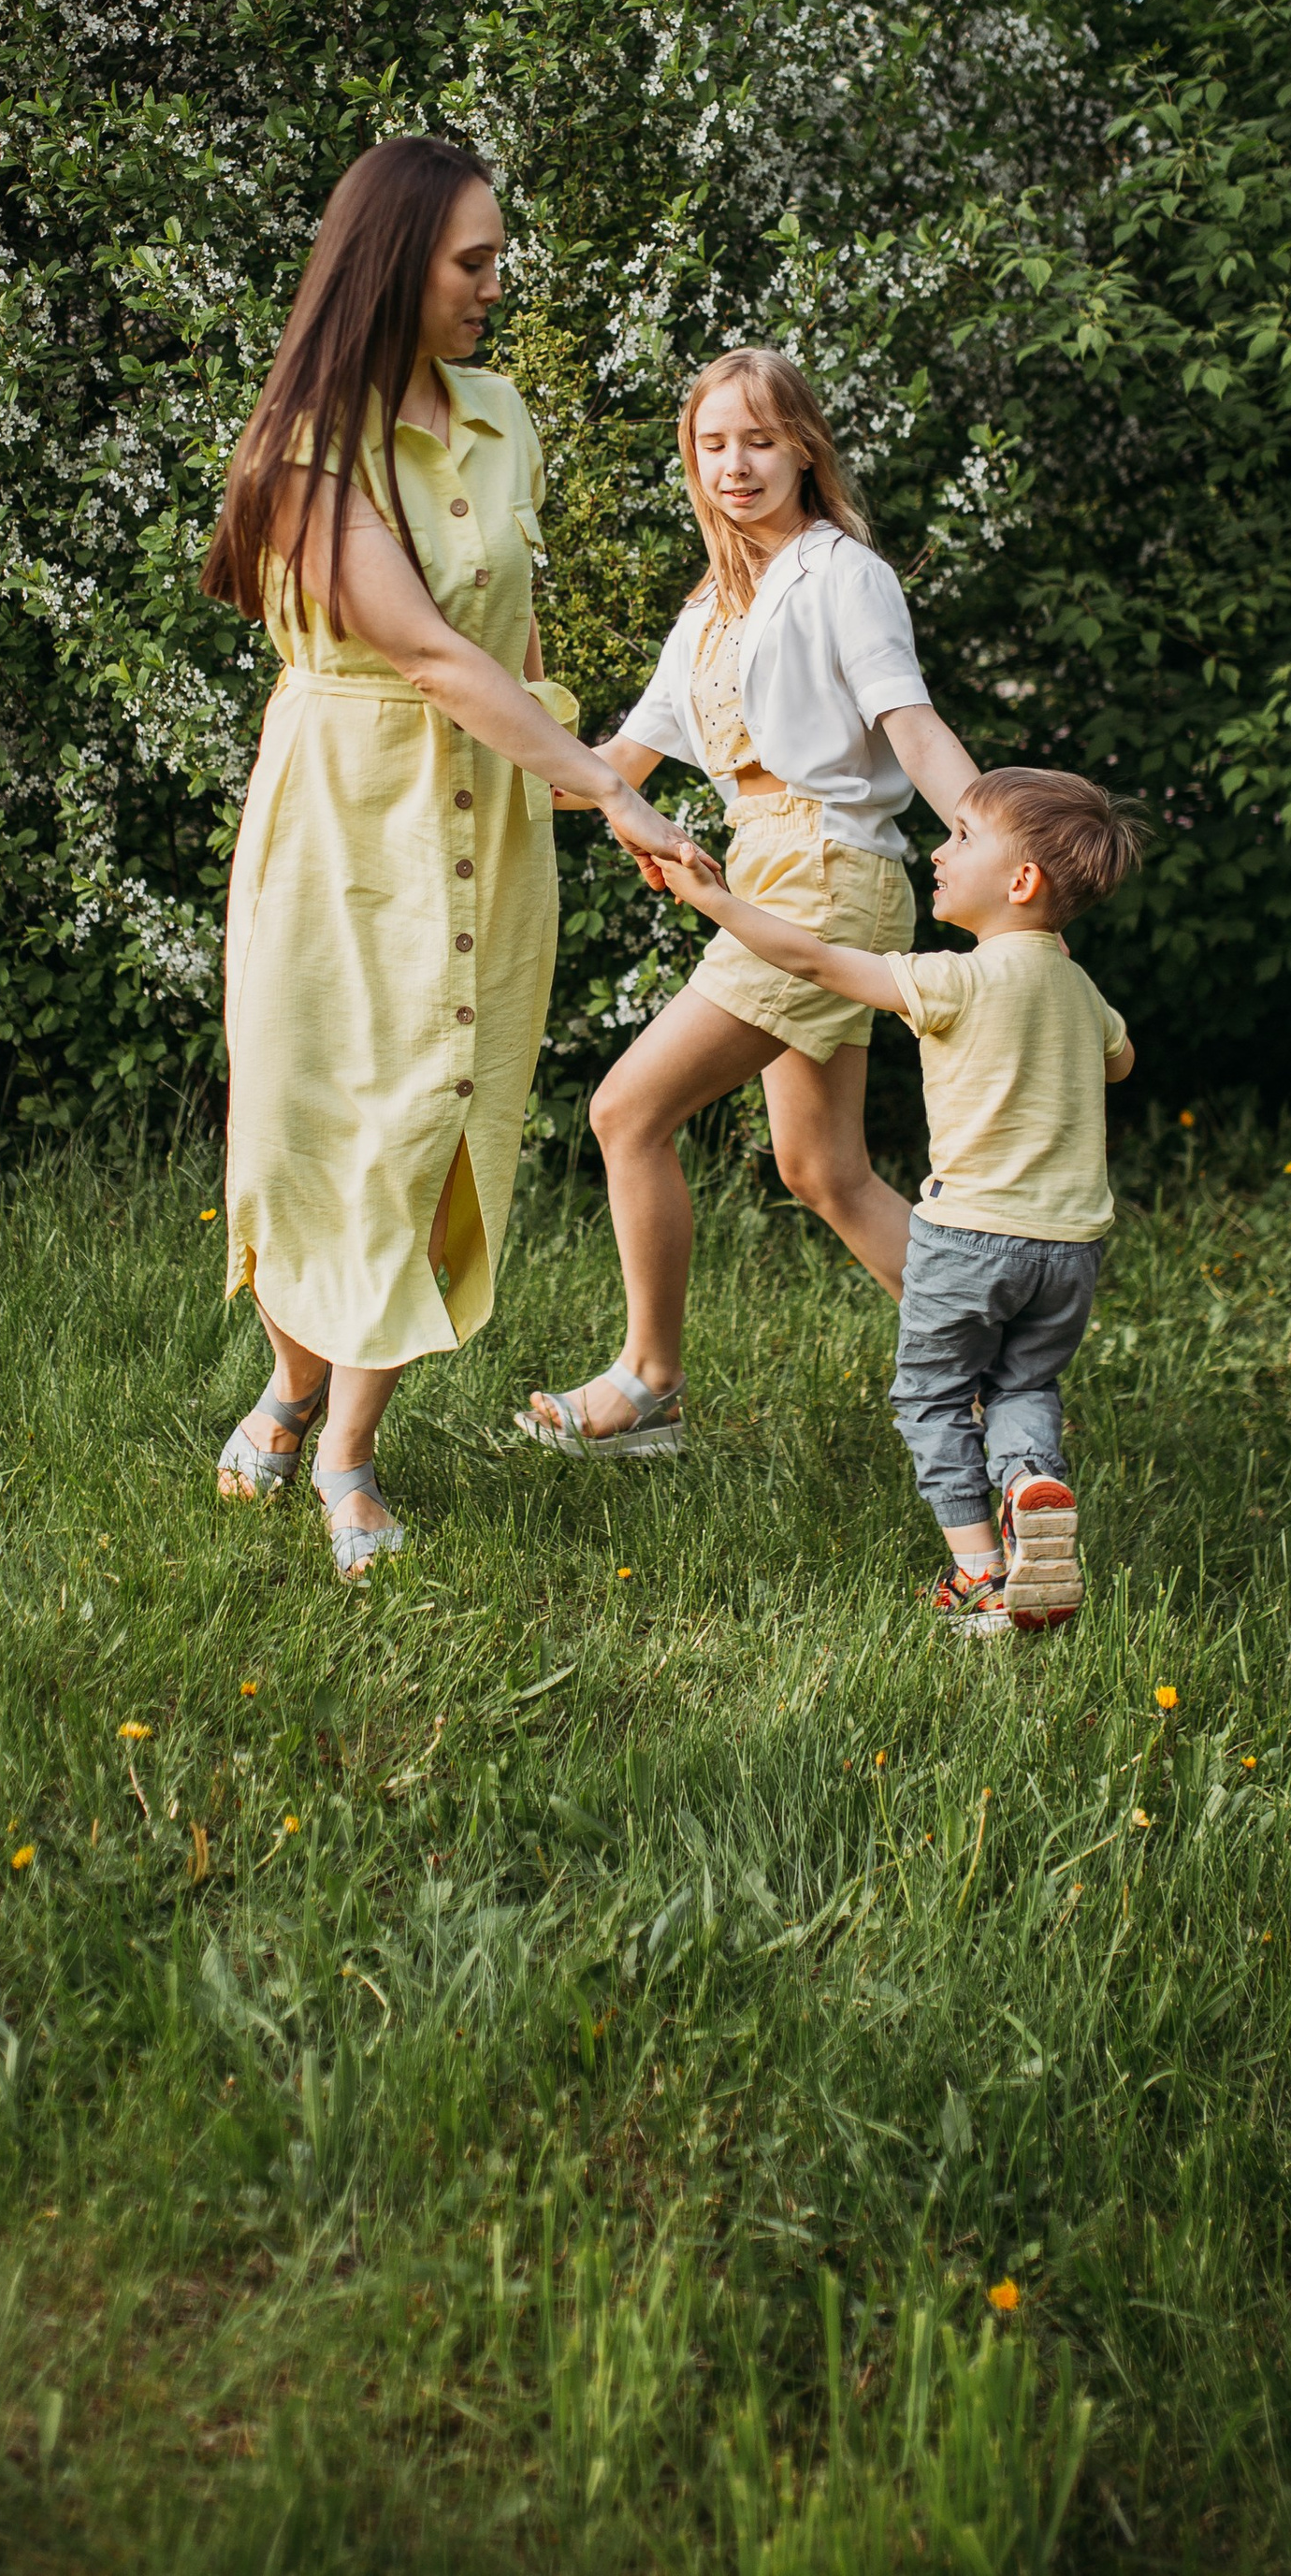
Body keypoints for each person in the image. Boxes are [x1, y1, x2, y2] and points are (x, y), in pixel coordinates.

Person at [203, 137, 710, 1579]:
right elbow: (420, 648)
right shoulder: (308, 450)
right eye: (472, 262)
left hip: (483, 824)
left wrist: (574, 761)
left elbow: (504, 640)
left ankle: (344, 1448)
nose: (497, 284)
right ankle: (298, 1390)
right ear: (393, 267)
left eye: (496, 258)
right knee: (319, 1133)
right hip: (339, 818)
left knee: (431, 1131)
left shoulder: (498, 417)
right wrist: (612, 793)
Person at [517, 347, 981, 1460]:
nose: (736, 464)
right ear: (692, 459)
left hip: (826, 875)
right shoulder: (712, 612)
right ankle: (996, 1377)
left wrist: (998, 843)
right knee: (823, 1169)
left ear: (804, 450)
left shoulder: (840, 575)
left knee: (626, 1114)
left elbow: (909, 725)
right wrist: (492, 711)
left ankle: (649, 1384)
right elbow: (608, 768)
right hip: (765, 873)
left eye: (760, 440)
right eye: (714, 443)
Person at [652, 765, 1144, 1632]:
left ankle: (980, 1578)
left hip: (968, 1241)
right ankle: (1030, 1481)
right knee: (1023, 1382)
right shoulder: (1079, 990)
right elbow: (1120, 1061)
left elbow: (811, 958)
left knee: (933, 1399)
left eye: (961, 838)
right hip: (1070, 1249)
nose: (940, 853)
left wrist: (716, 900)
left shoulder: (953, 981)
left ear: (1021, 882)